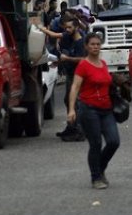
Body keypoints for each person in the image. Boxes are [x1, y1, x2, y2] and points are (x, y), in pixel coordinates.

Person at [67, 33, 120, 190]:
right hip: (89, 109)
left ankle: (100, 167)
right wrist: (71, 109)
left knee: (113, 142)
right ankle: (96, 177)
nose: (95, 47)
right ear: (86, 46)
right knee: (95, 144)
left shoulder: (103, 64)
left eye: (98, 44)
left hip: (106, 109)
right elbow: (75, 87)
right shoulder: (83, 65)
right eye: (92, 44)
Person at [38, 16, 86, 141]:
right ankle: (71, 127)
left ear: (76, 27)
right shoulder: (68, 37)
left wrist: (67, 59)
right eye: (66, 28)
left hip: (78, 76)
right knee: (68, 100)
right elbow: (54, 35)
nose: (67, 30)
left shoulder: (80, 42)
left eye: (70, 27)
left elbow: (82, 60)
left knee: (77, 102)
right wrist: (59, 62)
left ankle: (79, 130)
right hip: (71, 74)